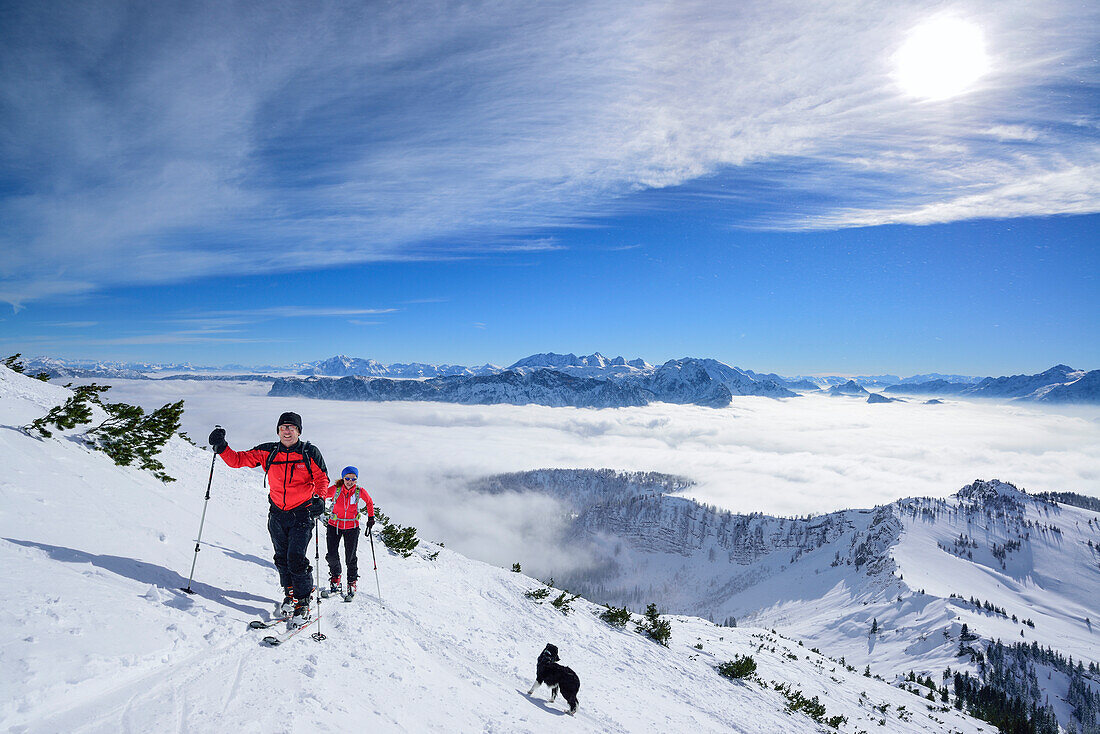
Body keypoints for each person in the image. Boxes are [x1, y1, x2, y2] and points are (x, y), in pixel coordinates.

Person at [208, 411, 329, 626]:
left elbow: (322, 478)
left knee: (296, 558)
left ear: (299, 431)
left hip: (302, 514)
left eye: (292, 427)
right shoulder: (269, 452)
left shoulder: (309, 452)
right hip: (277, 515)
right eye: (283, 427)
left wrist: (319, 498)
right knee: (281, 558)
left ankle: (303, 601)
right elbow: (238, 460)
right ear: (278, 431)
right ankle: (290, 594)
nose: (287, 430)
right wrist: (222, 447)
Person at [319, 466, 375, 599]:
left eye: (353, 479)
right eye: (347, 478)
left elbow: (369, 502)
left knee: (350, 556)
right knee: (332, 555)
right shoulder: (336, 490)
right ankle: (335, 578)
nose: (350, 481)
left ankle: (352, 582)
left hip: (352, 527)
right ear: (343, 478)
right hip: (334, 525)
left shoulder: (359, 491)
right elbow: (321, 495)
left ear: (356, 479)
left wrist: (371, 517)